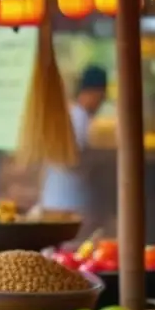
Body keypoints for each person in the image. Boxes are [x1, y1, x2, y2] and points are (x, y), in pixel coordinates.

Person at [40, 65, 108, 216]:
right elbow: (69, 160)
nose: (103, 101)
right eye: (102, 95)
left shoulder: (72, 115)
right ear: (94, 92)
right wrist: (98, 160)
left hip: (55, 199)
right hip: (69, 202)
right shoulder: (79, 119)